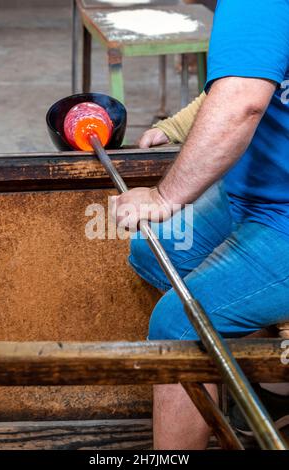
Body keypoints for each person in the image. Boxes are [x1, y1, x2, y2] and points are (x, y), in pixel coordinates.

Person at [111, 0, 289, 449]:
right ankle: (249, 383)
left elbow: (241, 102)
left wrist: (164, 196)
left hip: (283, 214)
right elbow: (248, 77)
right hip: (256, 193)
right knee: (154, 251)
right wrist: (177, 125)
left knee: (179, 324)